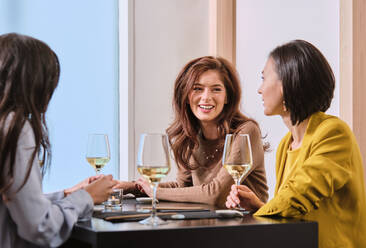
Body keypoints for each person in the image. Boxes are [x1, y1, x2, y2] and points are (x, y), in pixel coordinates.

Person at [225, 40, 366, 247]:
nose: (259, 89)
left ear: (287, 83)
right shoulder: (286, 144)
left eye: (264, 78)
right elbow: (290, 212)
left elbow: (296, 197)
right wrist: (257, 206)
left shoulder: (334, 133)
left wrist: (260, 211)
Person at [0, 33, 116, 248]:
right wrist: (85, 198)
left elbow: (13, 203)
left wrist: (67, 194)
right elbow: (40, 227)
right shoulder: (15, 129)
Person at [117, 56, 268, 207]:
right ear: (186, 95)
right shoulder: (189, 136)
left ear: (227, 96)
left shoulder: (245, 131)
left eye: (216, 89)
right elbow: (184, 188)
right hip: (208, 224)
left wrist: (155, 191)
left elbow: (216, 194)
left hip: (247, 225)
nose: (206, 97)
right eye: (197, 88)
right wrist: (134, 187)